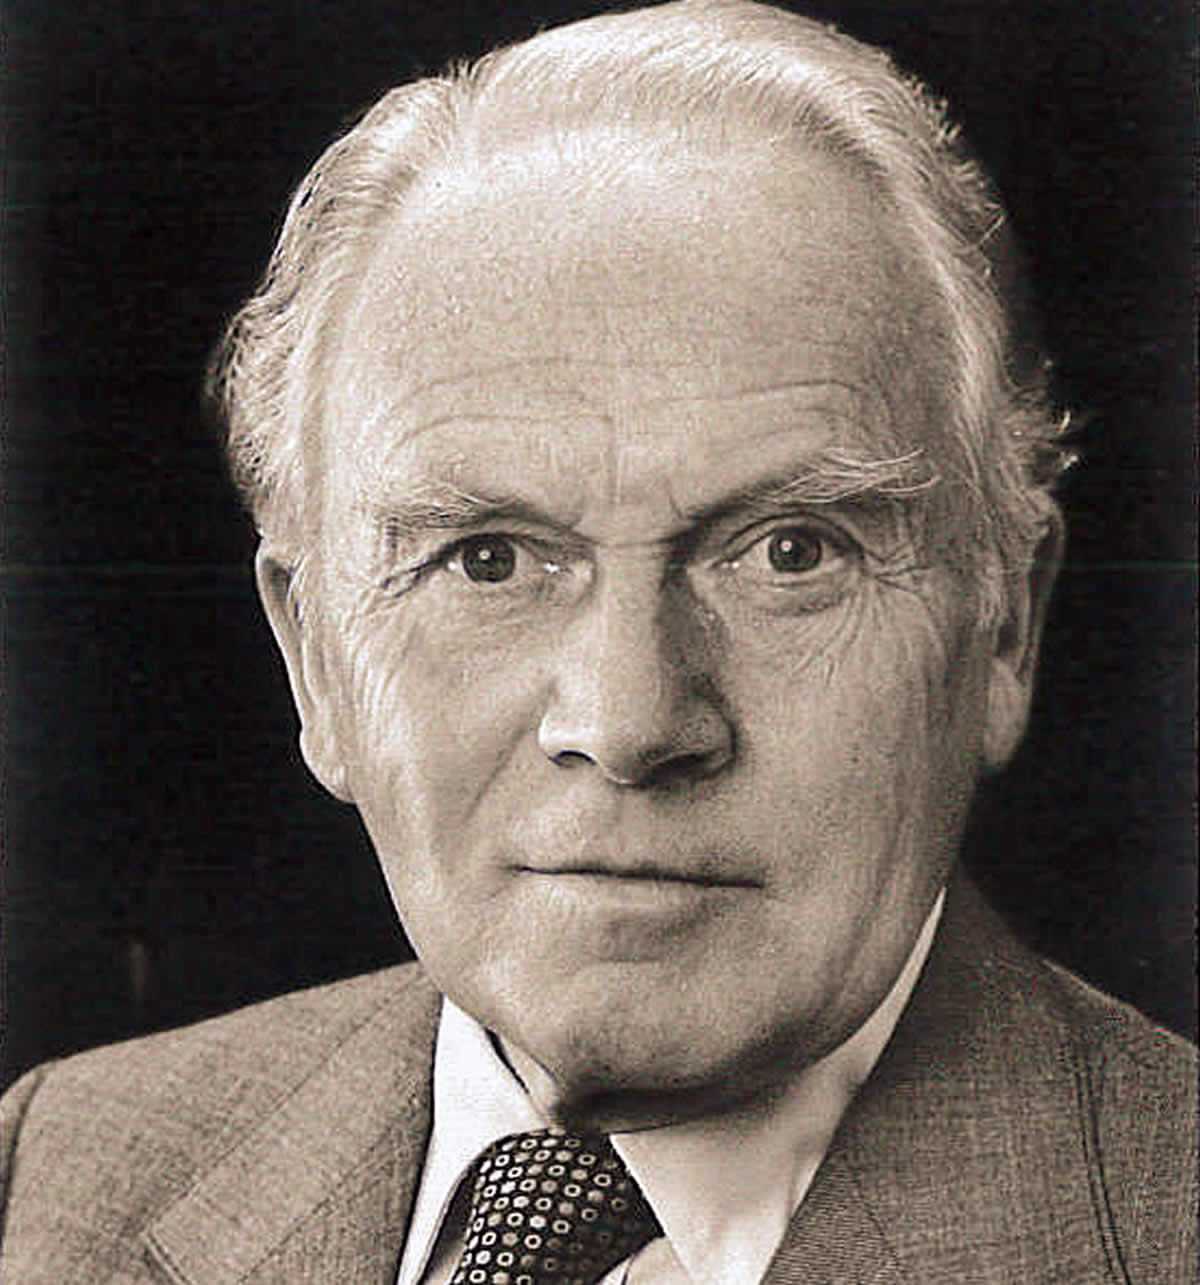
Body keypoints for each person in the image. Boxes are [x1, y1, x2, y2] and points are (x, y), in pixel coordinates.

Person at [1, 2, 1193, 1281]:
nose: (630, 722)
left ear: (1004, 624)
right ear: (315, 660)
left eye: (791, 551)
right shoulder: (55, 1172)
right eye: (489, 559)